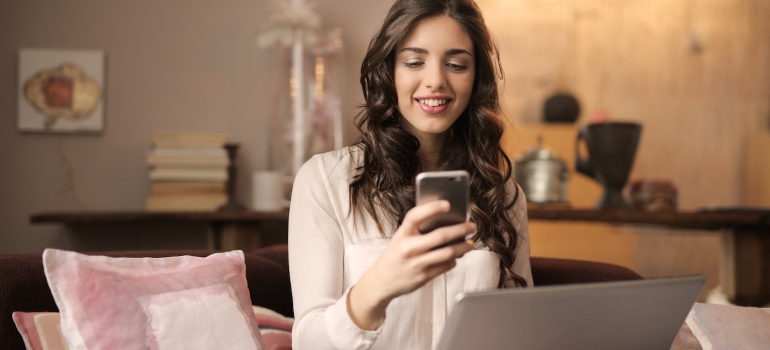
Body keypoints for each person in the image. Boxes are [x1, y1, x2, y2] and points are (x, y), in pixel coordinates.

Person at [288, 0, 532, 348]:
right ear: (390, 72)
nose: (435, 81)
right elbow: (308, 342)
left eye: (456, 64)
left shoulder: (502, 192)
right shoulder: (325, 181)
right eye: (414, 62)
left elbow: (520, 329)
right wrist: (380, 284)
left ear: (476, 77)